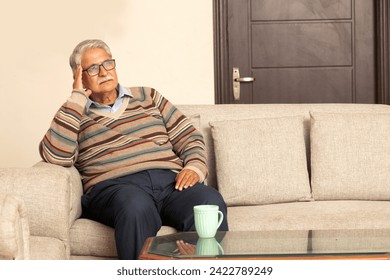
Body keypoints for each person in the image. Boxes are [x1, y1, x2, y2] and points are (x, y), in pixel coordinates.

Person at [39, 39, 228, 259]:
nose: (103, 72)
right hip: (115, 188)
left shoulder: (148, 97)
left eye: (108, 64)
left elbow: (189, 136)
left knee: (209, 201)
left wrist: (195, 167)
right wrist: (77, 98)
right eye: (92, 68)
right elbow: (56, 155)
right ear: (78, 77)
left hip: (169, 183)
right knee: (135, 206)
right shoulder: (74, 113)